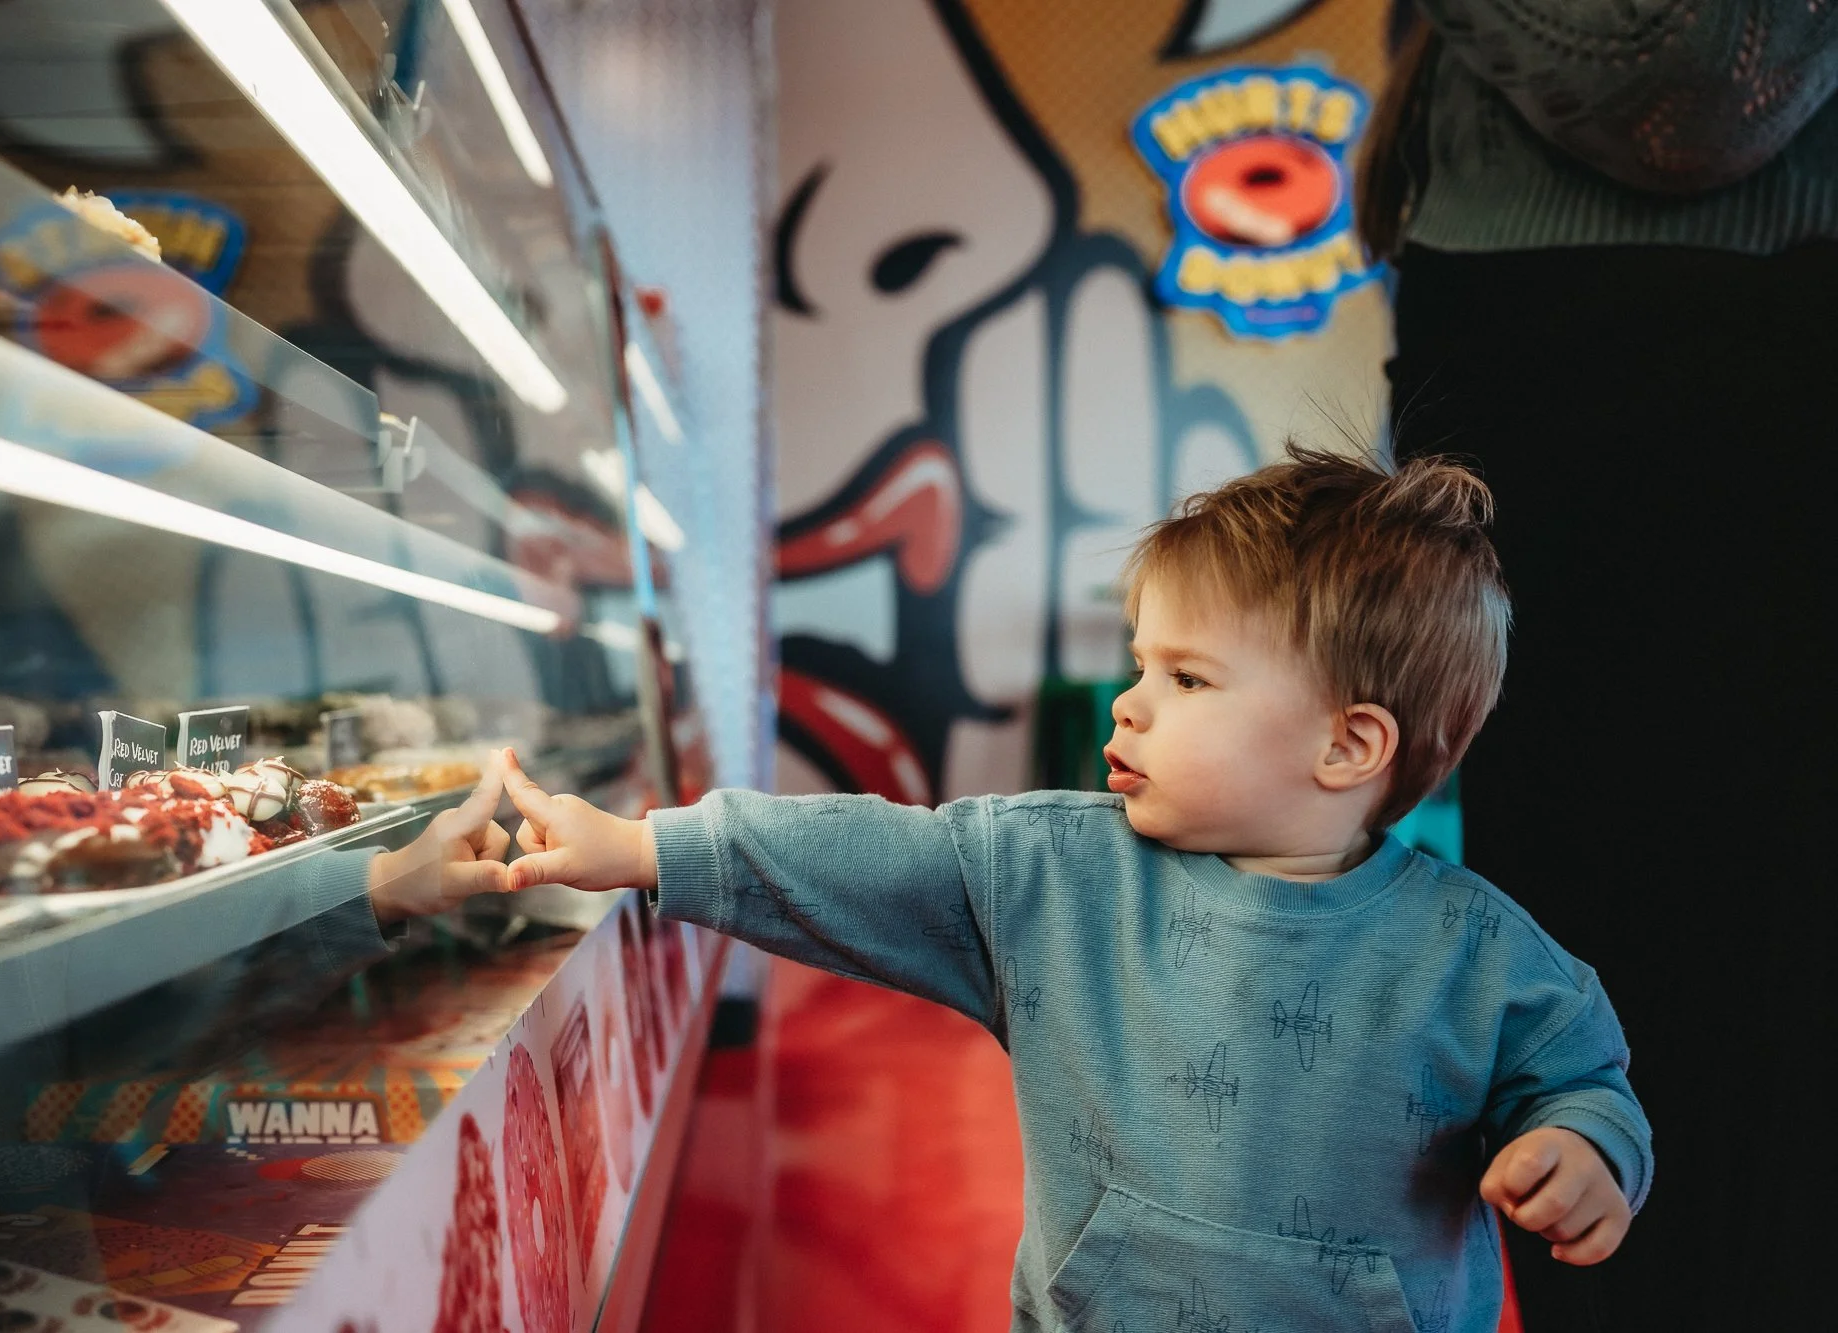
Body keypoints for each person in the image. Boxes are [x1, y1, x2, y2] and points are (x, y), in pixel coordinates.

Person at [486, 447, 1652, 1333]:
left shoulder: (1477, 952)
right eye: (1138, 661)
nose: (1127, 703)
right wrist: (646, 849)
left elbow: (1582, 1078)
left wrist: (1584, 1150)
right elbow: (856, 851)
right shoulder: (1050, 873)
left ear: (1347, 747)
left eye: (1186, 676)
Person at [1359, 4, 1838, 1326]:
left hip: (1655, 317)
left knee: (1678, 941)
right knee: (1601, 953)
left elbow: (1697, 83)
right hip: (1566, 313)